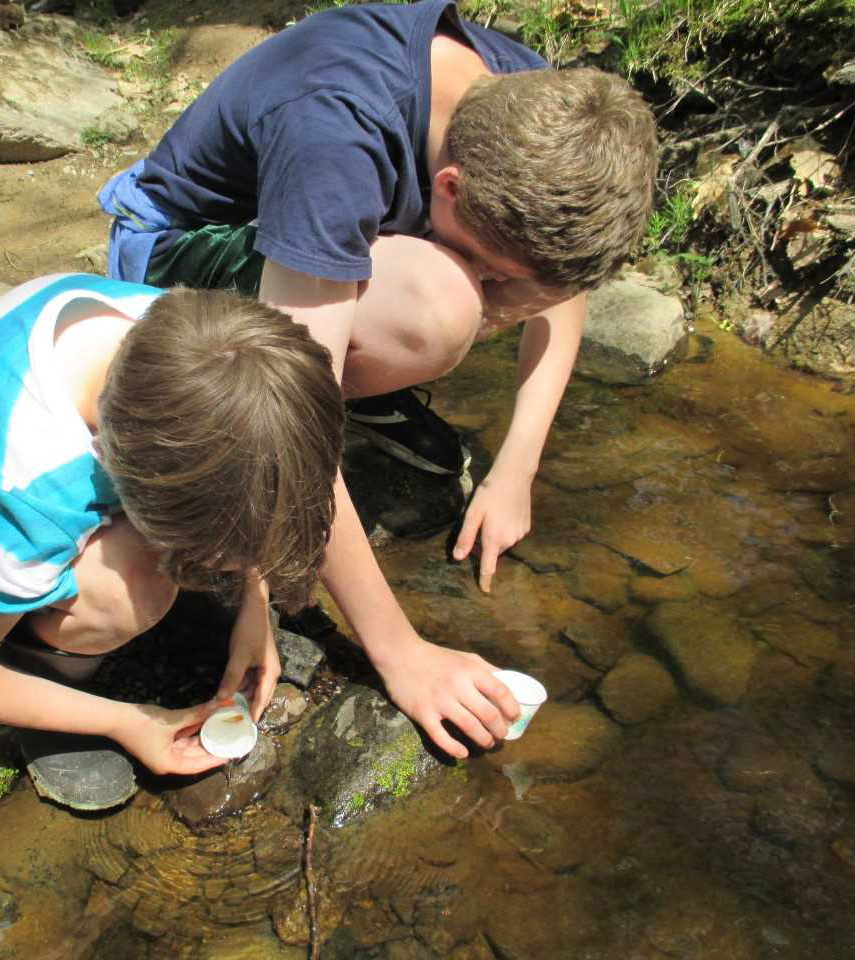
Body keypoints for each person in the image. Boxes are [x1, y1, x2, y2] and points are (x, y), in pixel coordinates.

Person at [98, 0, 657, 757]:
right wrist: (399, 652)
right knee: (438, 306)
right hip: (169, 254)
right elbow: (290, 424)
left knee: (452, 296)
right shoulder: (337, 128)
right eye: (500, 281)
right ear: (451, 188)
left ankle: (364, 359)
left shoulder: (533, 107)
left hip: (309, 234)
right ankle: (358, 362)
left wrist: (516, 466)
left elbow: (564, 284)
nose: (504, 313)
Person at [0, 274, 344, 781]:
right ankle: (40, 677)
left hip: (29, 471)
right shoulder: (30, 491)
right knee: (127, 588)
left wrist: (252, 601)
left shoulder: (190, 341)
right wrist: (127, 723)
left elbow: (260, 479)